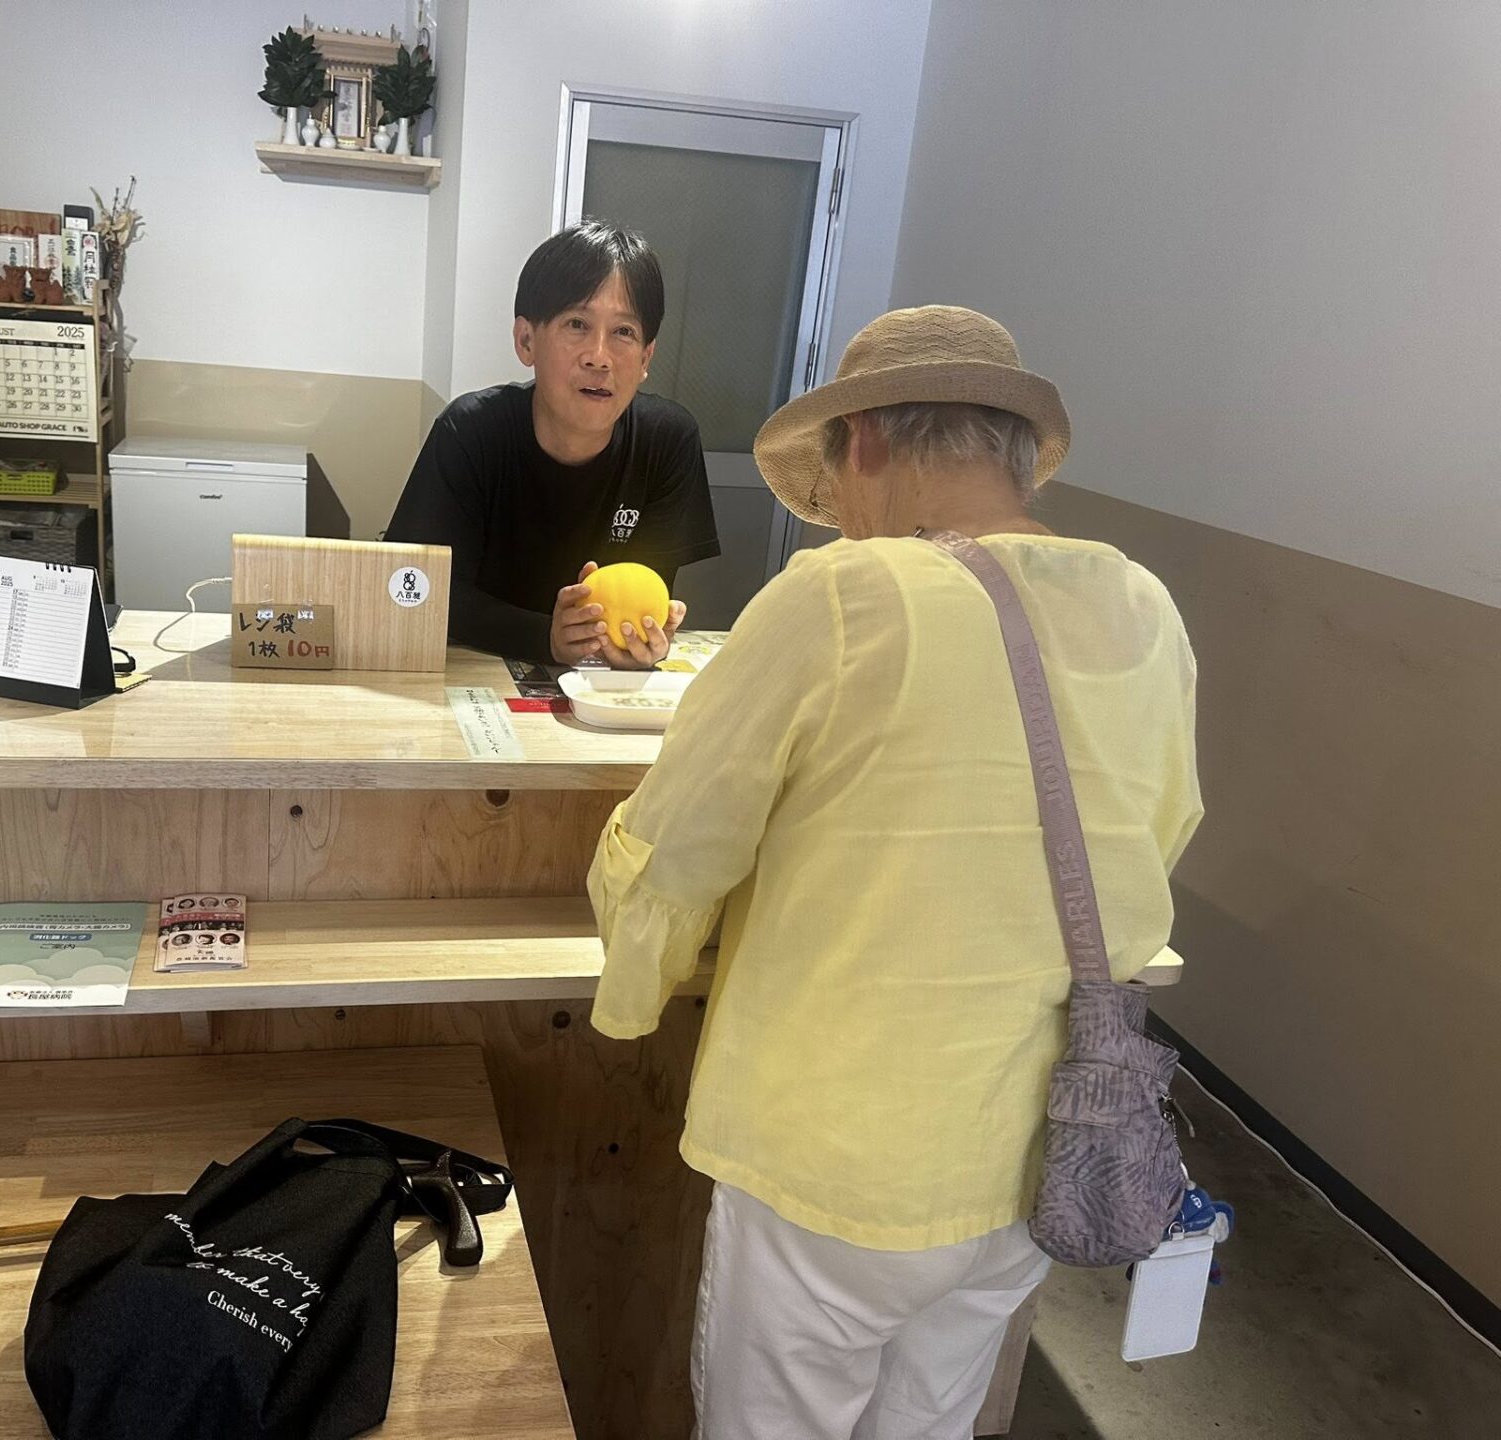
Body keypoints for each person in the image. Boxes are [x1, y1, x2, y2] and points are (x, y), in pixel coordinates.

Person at [587, 306, 1203, 1438]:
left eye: (836, 484)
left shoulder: (840, 596)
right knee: (930, 1422)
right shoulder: (1144, 606)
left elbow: (678, 847)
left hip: (836, 1156)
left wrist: (635, 987)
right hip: (1033, 1148)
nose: (843, 515)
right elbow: (1160, 831)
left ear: (865, 440)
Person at [386, 221, 720, 666]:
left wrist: (639, 639)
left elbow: (650, 589)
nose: (599, 356)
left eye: (623, 332)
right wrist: (544, 636)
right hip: (475, 668)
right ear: (526, 340)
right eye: (577, 324)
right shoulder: (470, 431)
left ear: (645, 357)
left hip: (591, 687)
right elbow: (416, 587)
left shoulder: (668, 441)